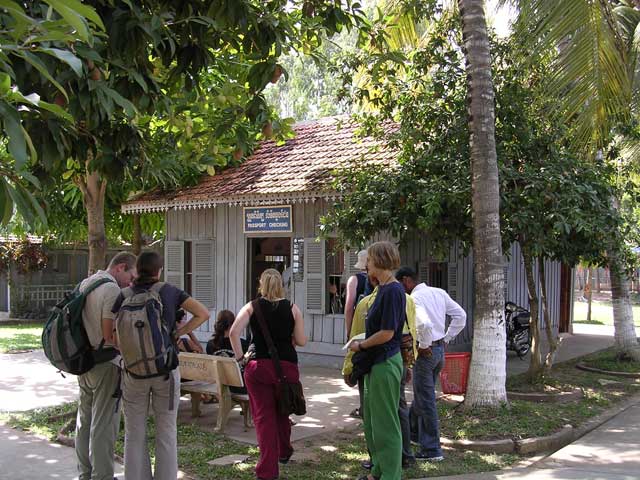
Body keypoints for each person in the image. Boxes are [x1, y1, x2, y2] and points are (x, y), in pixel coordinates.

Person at [113, 251, 210, 480]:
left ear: (137, 270)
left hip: (133, 372)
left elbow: (112, 335)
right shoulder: (169, 291)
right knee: (166, 431)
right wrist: (178, 333)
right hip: (165, 371)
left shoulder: (123, 295)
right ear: (159, 271)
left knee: (134, 433)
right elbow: (202, 313)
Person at [229, 268, 306, 480]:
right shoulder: (293, 309)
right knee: (282, 411)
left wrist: (239, 359)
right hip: (287, 368)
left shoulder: (251, 307)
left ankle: (267, 471)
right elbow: (301, 341)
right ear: (281, 284)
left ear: (261, 284)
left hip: (258, 367)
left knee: (264, 418)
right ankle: (284, 451)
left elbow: (234, 332)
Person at [342, 272, 420, 471]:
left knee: (380, 420)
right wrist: (408, 363)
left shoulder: (372, 300)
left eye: (370, 264)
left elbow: (382, 334)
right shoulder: (406, 298)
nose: (367, 270)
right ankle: (397, 458)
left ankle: (387, 466)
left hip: (382, 361)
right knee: (395, 411)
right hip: (393, 360)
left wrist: (351, 363)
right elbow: (412, 332)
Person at [75, 251, 137, 480]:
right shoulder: (111, 289)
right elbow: (109, 334)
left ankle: (85, 473)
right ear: (120, 267)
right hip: (105, 363)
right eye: (131, 275)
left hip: (83, 361)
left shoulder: (87, 282)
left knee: (85, 419)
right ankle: (102, 476)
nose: (131, 282)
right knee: (104, 424)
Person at [396, 266, 466, 462]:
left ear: (407, 281)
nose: (402, 290)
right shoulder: (439, 292)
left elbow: (424, 324)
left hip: (426, 353)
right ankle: (414, 433)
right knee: (422, 395)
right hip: (439, 351)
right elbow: (461, 316)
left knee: (426, 401)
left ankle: (432, 449)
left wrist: (423, 344)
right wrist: (447, 337)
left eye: (401, 285)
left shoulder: (414, 299)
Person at [348, 241, 406, 480]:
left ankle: (391, 474)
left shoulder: (393, 290)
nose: (367, 265)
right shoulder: (380, 288)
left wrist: (360, 344)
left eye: (369, 260)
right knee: (372, 422)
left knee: (386, 423)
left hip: (385, 361)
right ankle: (378, 471)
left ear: (379, 261)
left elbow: (387, 333)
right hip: (375, 363)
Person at [344, 249, 372, 418]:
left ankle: (364, 407)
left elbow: (348, 307)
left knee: (360, 365)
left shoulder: (355, 280)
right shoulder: (380, 280)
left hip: (360, 329)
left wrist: (349, 332)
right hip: (377, 328)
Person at [206, 309, 249, 394]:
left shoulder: (211, 344)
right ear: (234, 323)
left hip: (219, 385)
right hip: (239, 387)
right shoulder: (242, 343)